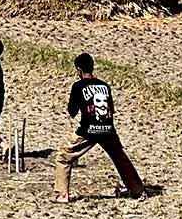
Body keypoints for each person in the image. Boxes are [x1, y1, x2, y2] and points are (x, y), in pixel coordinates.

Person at [54, 53, 146, 202]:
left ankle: (63, 195)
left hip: (88, 130)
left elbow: (72, 111)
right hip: (108, 129)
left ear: (78, 69)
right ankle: (137, 189)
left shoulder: (78, 86)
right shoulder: (104, 86)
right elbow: (111, 110)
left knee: (64, 157)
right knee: (120, 159)